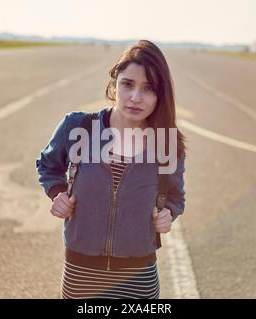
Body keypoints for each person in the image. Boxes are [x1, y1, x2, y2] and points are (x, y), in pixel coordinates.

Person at [36, 40, 186, 299]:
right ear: (114, 84)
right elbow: (48, 164)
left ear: (160, 95)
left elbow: (175, 196)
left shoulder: (166, 143)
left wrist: (168, 213)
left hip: (138, 277)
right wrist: (57, 192)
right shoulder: (78, 127)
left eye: (148, 88)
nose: (135, 97)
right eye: (128, 84)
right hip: (82, 273)